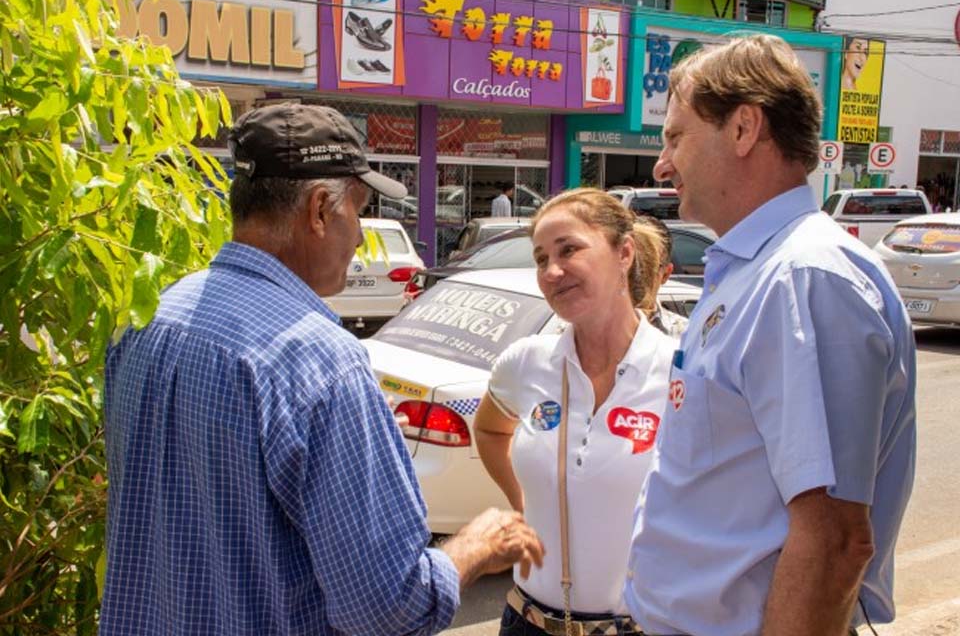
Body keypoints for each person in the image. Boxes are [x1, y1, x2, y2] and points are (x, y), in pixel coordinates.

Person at [101, 103, 544, 636]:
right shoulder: (323, 362)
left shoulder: (150, 318)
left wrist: (343, 436)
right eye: (356, 212)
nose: (359, 237)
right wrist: (475, 546)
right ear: (317, 211)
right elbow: (386, 608)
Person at [625, 35, 917, 636]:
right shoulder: (759, 271)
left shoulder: (803, 280)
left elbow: (834, 538)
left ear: (743, 129)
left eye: (676, 137)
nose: (661, 165)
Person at [474, 188, 677, 636]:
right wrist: (524, 504)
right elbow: (490, 430)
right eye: (541, 258)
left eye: (569, 250)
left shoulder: (682, 372)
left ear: (624, 252)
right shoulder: (525, 361)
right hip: (526, 623)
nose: (552, 271)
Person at [634, 214, 689, 338]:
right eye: (630, 262)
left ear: (666, 274)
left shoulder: (685, 336)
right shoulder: (588, 331)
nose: (635, 274)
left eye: (646, 266)